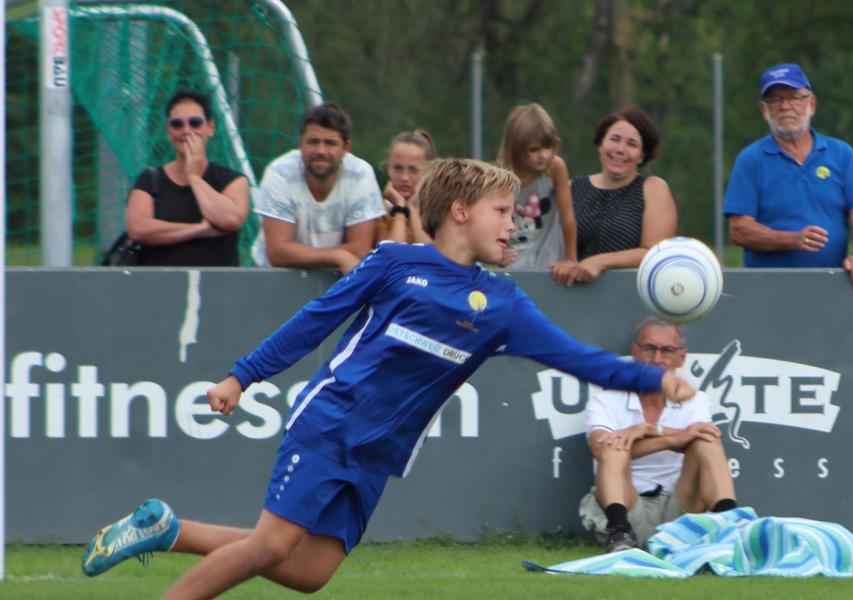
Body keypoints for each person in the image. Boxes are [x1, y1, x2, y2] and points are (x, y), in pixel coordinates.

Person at [81, 159, 696, 598]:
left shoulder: (504, 305)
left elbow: (576, 357)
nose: (515, 225)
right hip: (331, 422)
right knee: (270, 546)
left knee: (308, 575)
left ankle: (167, 529)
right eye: (502, 212)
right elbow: (313, 321)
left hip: (378, 455)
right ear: (460, 212)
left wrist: (651, 377)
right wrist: (242, 377)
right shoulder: (395, 262)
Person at [579, 318, 736, 553]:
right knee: (611, 445)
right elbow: (600, 449)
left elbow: (699, 437)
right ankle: (620, 534)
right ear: (635, 352)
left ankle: (731, 531)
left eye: (667, 350)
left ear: (681, 357)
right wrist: (671, 439)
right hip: (628, 504)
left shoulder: (696, 400)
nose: (657, 359)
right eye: (649, 348)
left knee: (707, 441)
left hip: (680, 507)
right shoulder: (606, 399)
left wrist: (648, 430)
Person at [723, 63, 853, 290]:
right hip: (766, 288)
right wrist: (792, 240)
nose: (785, 106)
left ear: (812, 104)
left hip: (834, 286)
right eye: (775, 100)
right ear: (764, 110)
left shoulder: (841, 153)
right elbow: (739, 230)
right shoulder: (750, 159)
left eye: (794, 97)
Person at [251, 102, 384, 274]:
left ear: (346, 148)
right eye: (313, 142)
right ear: (301, 144)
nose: (321, 151)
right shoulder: (279, 173)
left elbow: (359, 249)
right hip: (274, 279)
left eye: (330, 143)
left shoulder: (360, 174)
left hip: (335, 281)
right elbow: (277, 253)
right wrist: (337, 256)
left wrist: (324, 256)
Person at [125, 90, 249, 266]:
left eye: (195, 123)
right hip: (159, 287)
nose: (186, 131)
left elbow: (230, 220)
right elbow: (137, 229)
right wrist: (199, 230)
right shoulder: (150, 180)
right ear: (169, 131)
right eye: (177, 124)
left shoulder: (232, 180)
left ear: (210, 128)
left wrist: (194, 177)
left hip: (217, 288)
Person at [566, 106, 677, 286]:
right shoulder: (571, 188)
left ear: (642, 156)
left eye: (631, 144)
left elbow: (655, 253)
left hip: (632, 298)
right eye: (614, 139)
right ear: (600, 144)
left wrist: (599, 262)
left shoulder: (653, 189)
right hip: (570, 295)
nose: (620, 149)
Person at [495, 103, 578, 282]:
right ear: (516, 149)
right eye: (534, 150)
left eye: (548, 147)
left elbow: (567, 217)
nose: (544, 155)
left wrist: (570, 259)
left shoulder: (555, 167)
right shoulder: (500, 177)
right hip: (516, 266)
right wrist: (496, 253)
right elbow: (490, 223)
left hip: (552, 265)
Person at [378, 129, 436, 245]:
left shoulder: (440, 210)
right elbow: (391, 254)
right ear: (388, 168)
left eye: (413, 170)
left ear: (429, 172)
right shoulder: (381, 211)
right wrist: (400, 208)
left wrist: (412, 209)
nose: (404, 177)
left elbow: (432, 256)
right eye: (398, 168)